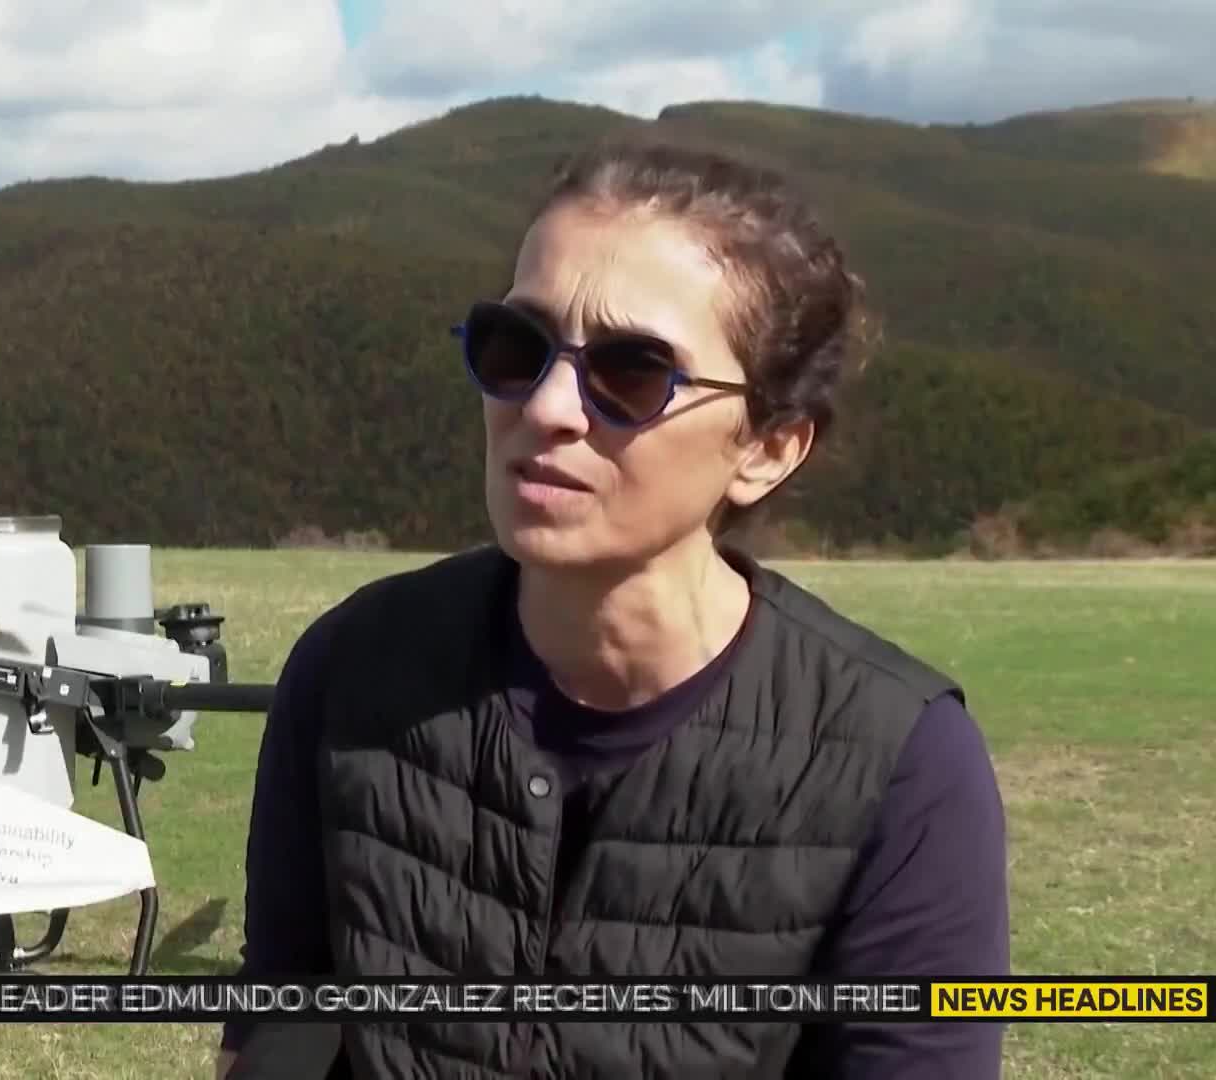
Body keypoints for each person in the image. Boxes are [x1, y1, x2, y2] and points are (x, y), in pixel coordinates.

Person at [216, 135, 1010, 1078]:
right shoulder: (354, 668)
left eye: (632, 373)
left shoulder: (901, 762)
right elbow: (281, 1027)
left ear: (767, 449)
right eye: (518, 347)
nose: (548, 407)